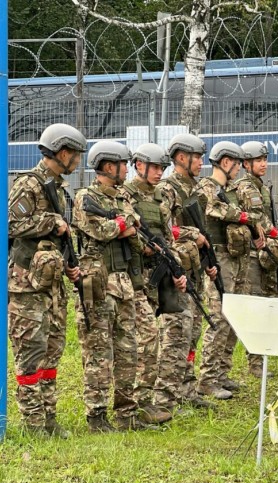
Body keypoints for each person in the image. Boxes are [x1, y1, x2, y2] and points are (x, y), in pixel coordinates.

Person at [8, 123, 86, 438]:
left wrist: (69, 265)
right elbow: (13, 224)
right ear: (62, 152)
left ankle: (49, 418)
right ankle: (33, 424)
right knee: (30, 352)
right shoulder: (30, 183)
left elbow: (58, 239)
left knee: (52, 351)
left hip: (52, 283)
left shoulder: (57, 187)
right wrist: (51, 220)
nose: (79, 161)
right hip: (27, 284)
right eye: (76, 155)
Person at [72, 140, 155, 431]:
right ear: (109, 166)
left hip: (124, 282)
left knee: (127, 351)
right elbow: (98, 229)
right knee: (98, 352)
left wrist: (126, 227)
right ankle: (96, 416)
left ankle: (126, 414)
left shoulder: (122, 199)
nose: (126, 170)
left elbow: (138, 236)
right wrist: (122, 226)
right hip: (99, 283)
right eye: (123, 164)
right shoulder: (85, 197)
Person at [194, 141, 265, 399]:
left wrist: (255, 229)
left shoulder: (232, 189)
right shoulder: (207, 187)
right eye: (236, 164)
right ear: (226, 162)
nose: (238, 169)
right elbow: (216, 209)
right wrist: (246, 218)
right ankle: (207, 378)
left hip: (238, 257)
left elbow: (246, 213)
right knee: (218, 317)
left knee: (235, 316)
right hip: (219, 257)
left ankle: (222, 373)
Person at [123, 143, 179, 424]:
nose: (159, 173)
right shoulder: (126, 196)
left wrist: (175, 267)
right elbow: (127, 232)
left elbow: (168, 238)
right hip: (132, 278)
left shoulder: (160, 199)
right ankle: (135, 404)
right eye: (155, 167)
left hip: (157, 276)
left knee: (151, 338)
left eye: (162, 168)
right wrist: (143, 246)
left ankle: (143, 401)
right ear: (138, 165)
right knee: (144, 339)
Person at [159, 133, 216, 410]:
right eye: (198, 157)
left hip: (194, 269)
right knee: (175, 335)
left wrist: (208, 262)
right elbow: (164, 229)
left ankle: (186, 388)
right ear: (182, 157)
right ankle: (167, 394)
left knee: (193, 331)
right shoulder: (167, 189)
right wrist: (194, 234)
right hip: (176, 271)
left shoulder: (195, 190)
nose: (202, 162)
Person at [236, 141, 278, 377]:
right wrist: (277, 236)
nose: (264, 164)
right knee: (257, 305)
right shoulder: (247, 187)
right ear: (246, 164)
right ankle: (255, 363)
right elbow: (257, 218)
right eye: (259, 160)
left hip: (266, 253)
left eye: (265, 160)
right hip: (252, 255)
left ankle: (264, 357)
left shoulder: (260, 185)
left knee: (272, 301)